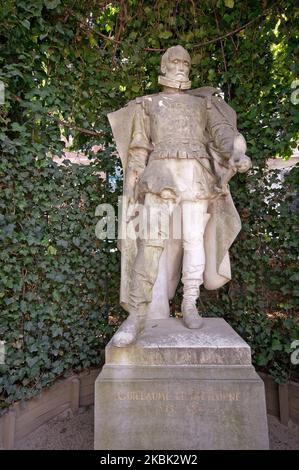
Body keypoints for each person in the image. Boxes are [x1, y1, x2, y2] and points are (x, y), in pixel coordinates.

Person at [108, 45, 251, 347]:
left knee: (193, 241)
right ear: (163, 66)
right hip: (159, 175)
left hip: (196, 175)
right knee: (150, 244)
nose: (181, 65)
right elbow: (138, 148)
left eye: (185, 61)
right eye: (174, 61)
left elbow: (223, 135)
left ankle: (190, 303)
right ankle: (136, 314)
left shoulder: (205, 104)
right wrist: (133, 179)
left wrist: (236, 151)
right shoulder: (148, 104)